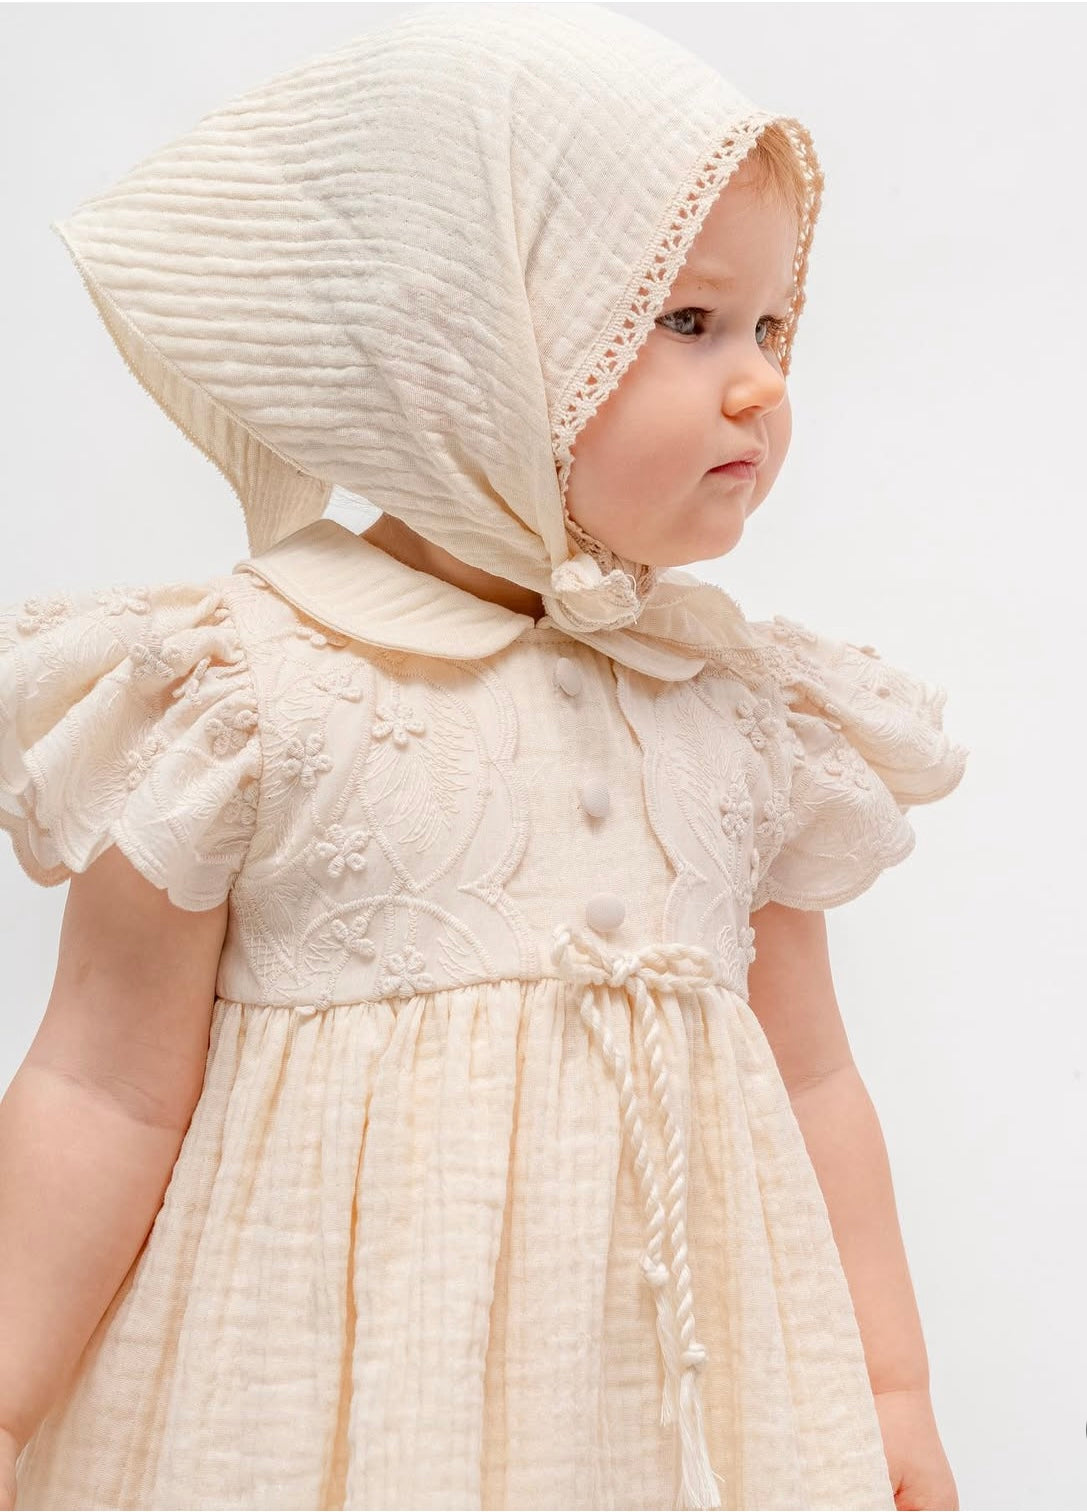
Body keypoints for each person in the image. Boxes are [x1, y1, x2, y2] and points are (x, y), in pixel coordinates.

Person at [0, 4, 969, 1508]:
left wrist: (892, 1392)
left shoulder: (737, 711)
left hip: (678, 1420)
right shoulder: (250, 692)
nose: (763, 384)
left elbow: (816, 1075)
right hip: (324, 1412)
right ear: (468, 342)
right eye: (689, 321)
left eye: (774, 328)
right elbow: (102, 1087)